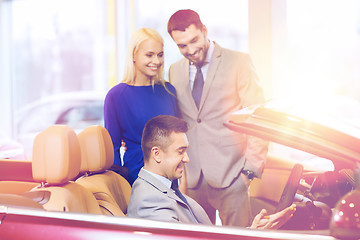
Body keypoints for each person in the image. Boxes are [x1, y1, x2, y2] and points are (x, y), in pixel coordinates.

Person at [167, 9, 268, 227]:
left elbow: (259, 116)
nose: (191, 50)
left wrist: (248, 172)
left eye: (194, 40)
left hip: (232, 176)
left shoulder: (239, 62)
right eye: (182, 45)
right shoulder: (174, 71)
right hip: (192, 180)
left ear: (204, 30)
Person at [127, 115, 296, 229]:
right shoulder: (149, 200)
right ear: (157, 154)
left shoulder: (163, 187)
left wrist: (252, 231)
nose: (187, 159)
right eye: (180, 151)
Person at [104, 28, 180, 185]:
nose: (157, 61)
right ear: (133, 55)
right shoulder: (116, 95)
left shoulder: (168, 91)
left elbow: (179, 140)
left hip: (170, 179)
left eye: (160, 55)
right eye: (149, 55)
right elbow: (113, 148)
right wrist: (119, 189)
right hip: (136, 178)